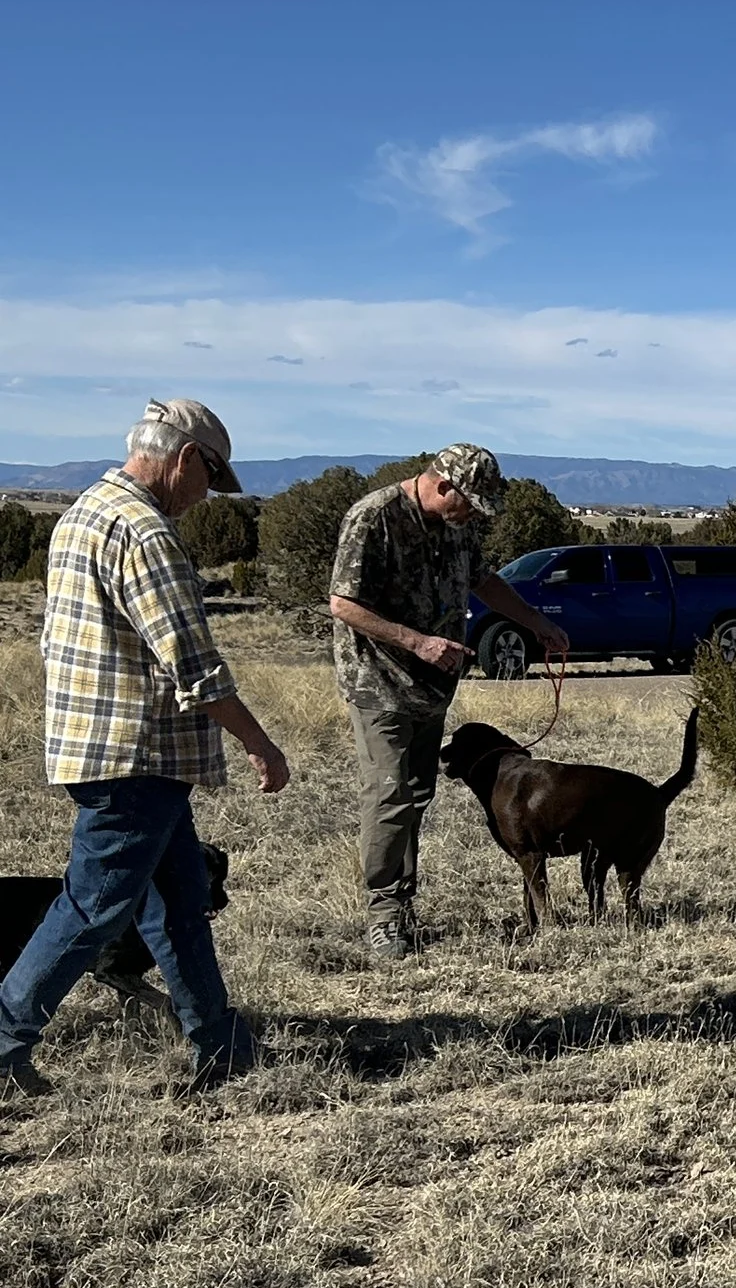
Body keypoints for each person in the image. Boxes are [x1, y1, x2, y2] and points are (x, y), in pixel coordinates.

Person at [0, 400, 291, 1096]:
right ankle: (5, 1038)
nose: (203, 498)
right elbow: (192, 661)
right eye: (209, 480)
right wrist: (259, 741)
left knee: (177, 901)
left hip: (104, 746)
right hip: (135, 752)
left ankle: (220, 1045)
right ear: (187, 458)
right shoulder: (144, 532)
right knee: (92, 908)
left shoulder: (83, 513)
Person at [328, 444, 569, 959]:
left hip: (433, 687)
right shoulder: (373, 518)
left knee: (415, 794)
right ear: (443, 486)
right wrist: (417, 641)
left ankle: (402, 901)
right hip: (380, 685)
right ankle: (385, 915)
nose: (474, 516)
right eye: (471, 504)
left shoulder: (458, 525)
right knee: (389, 795)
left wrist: (535, 622)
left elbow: (482, 580)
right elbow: (343, 602)